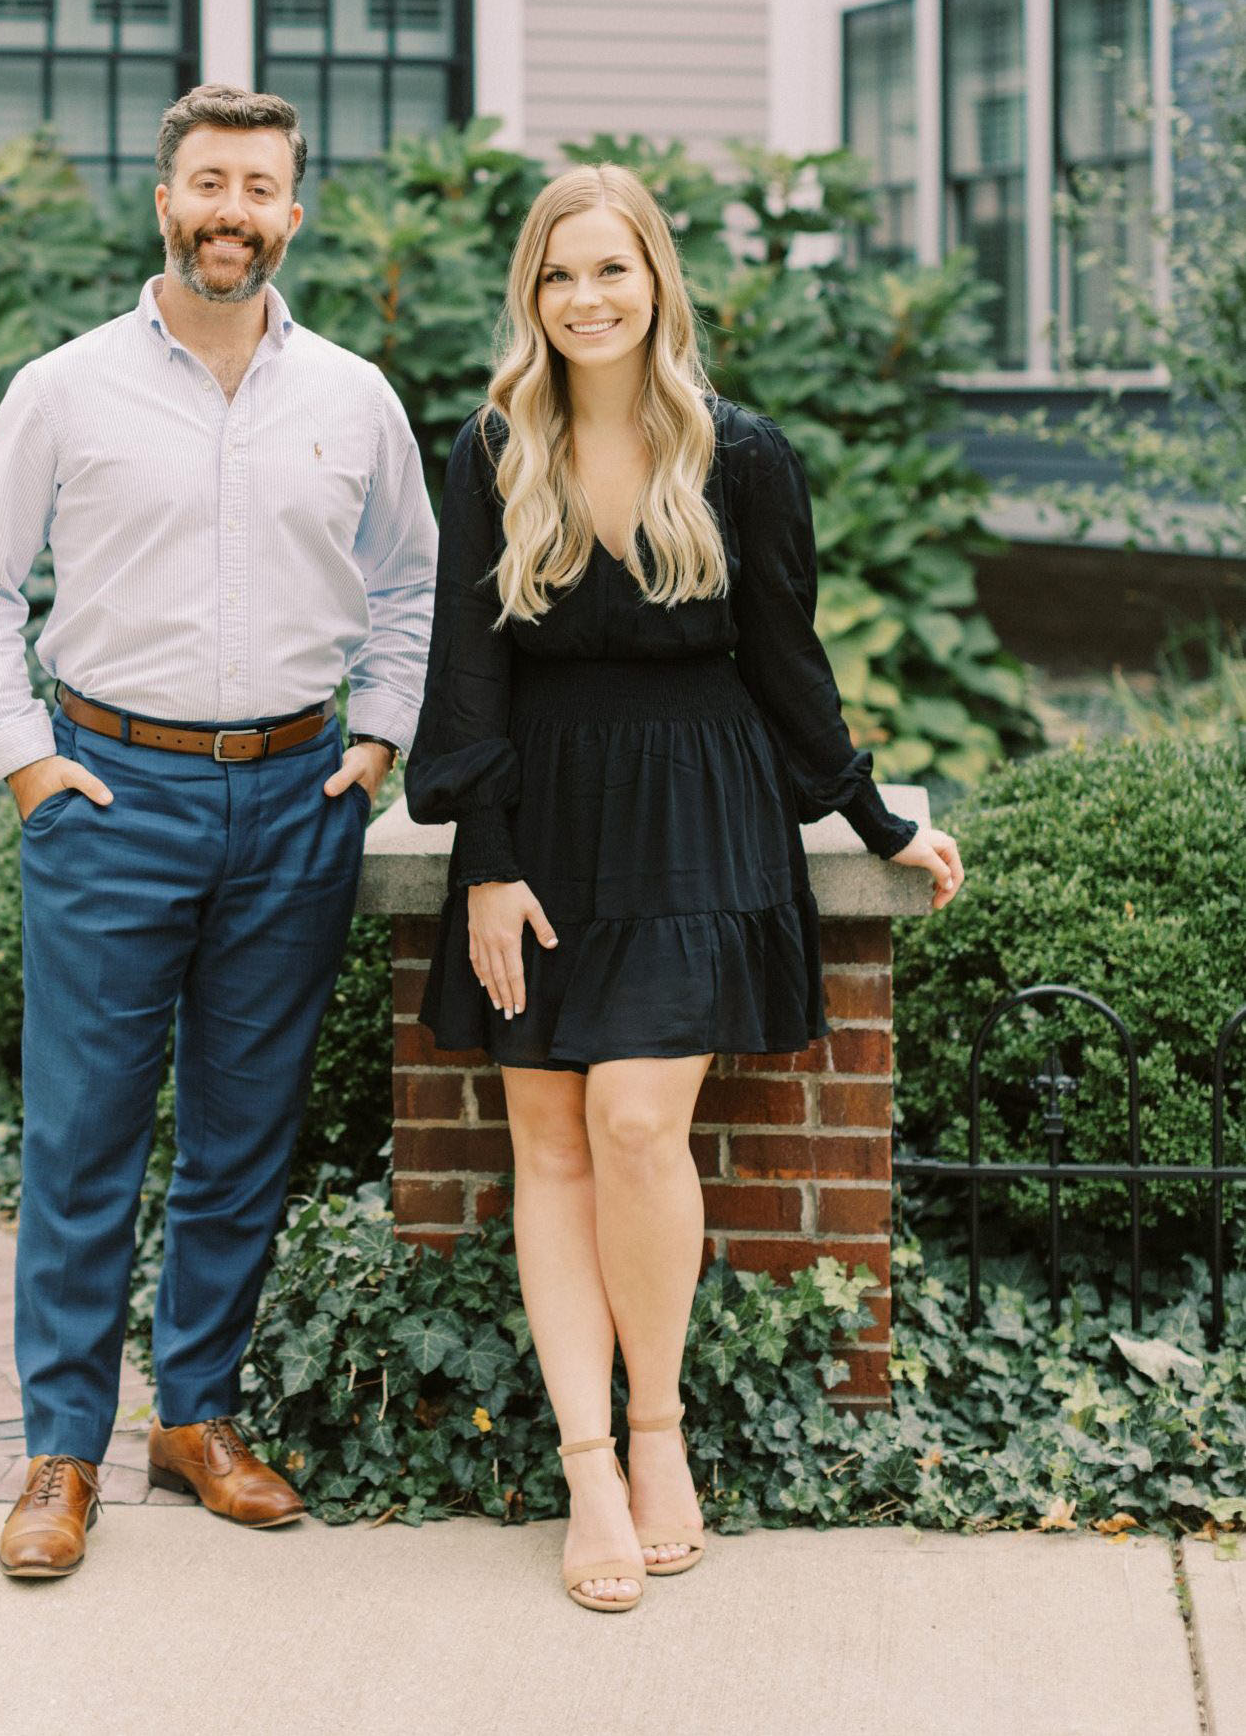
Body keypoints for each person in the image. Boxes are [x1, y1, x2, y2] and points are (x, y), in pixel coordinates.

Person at [404, 163, 963, 1614]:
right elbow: (464, 675)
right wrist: (485, 861)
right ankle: (586, 1463)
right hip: (541, 816)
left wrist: (870, 814)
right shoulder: (487, 448)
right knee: (550, 1142)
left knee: (638, 1122)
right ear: (529, 296)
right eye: (558, 275)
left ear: (656, 282)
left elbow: (786, 656)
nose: (586, 299)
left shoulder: (742, 455)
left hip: (694, 808)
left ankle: (659, 1429)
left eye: (612, 270)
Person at [0, 84, 437, 1580]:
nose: (231, 211)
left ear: (293, 211)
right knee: (83, 1140)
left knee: (239, 1136)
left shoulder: (353, 398)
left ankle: (196, 1417)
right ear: (166, 203)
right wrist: (22, 763)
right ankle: (61, 1452)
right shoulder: (66, 388)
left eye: (258, 186)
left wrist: (378, 739)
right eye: (206, 182)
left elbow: (409, 583)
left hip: (296, 801)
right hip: (111, 797)